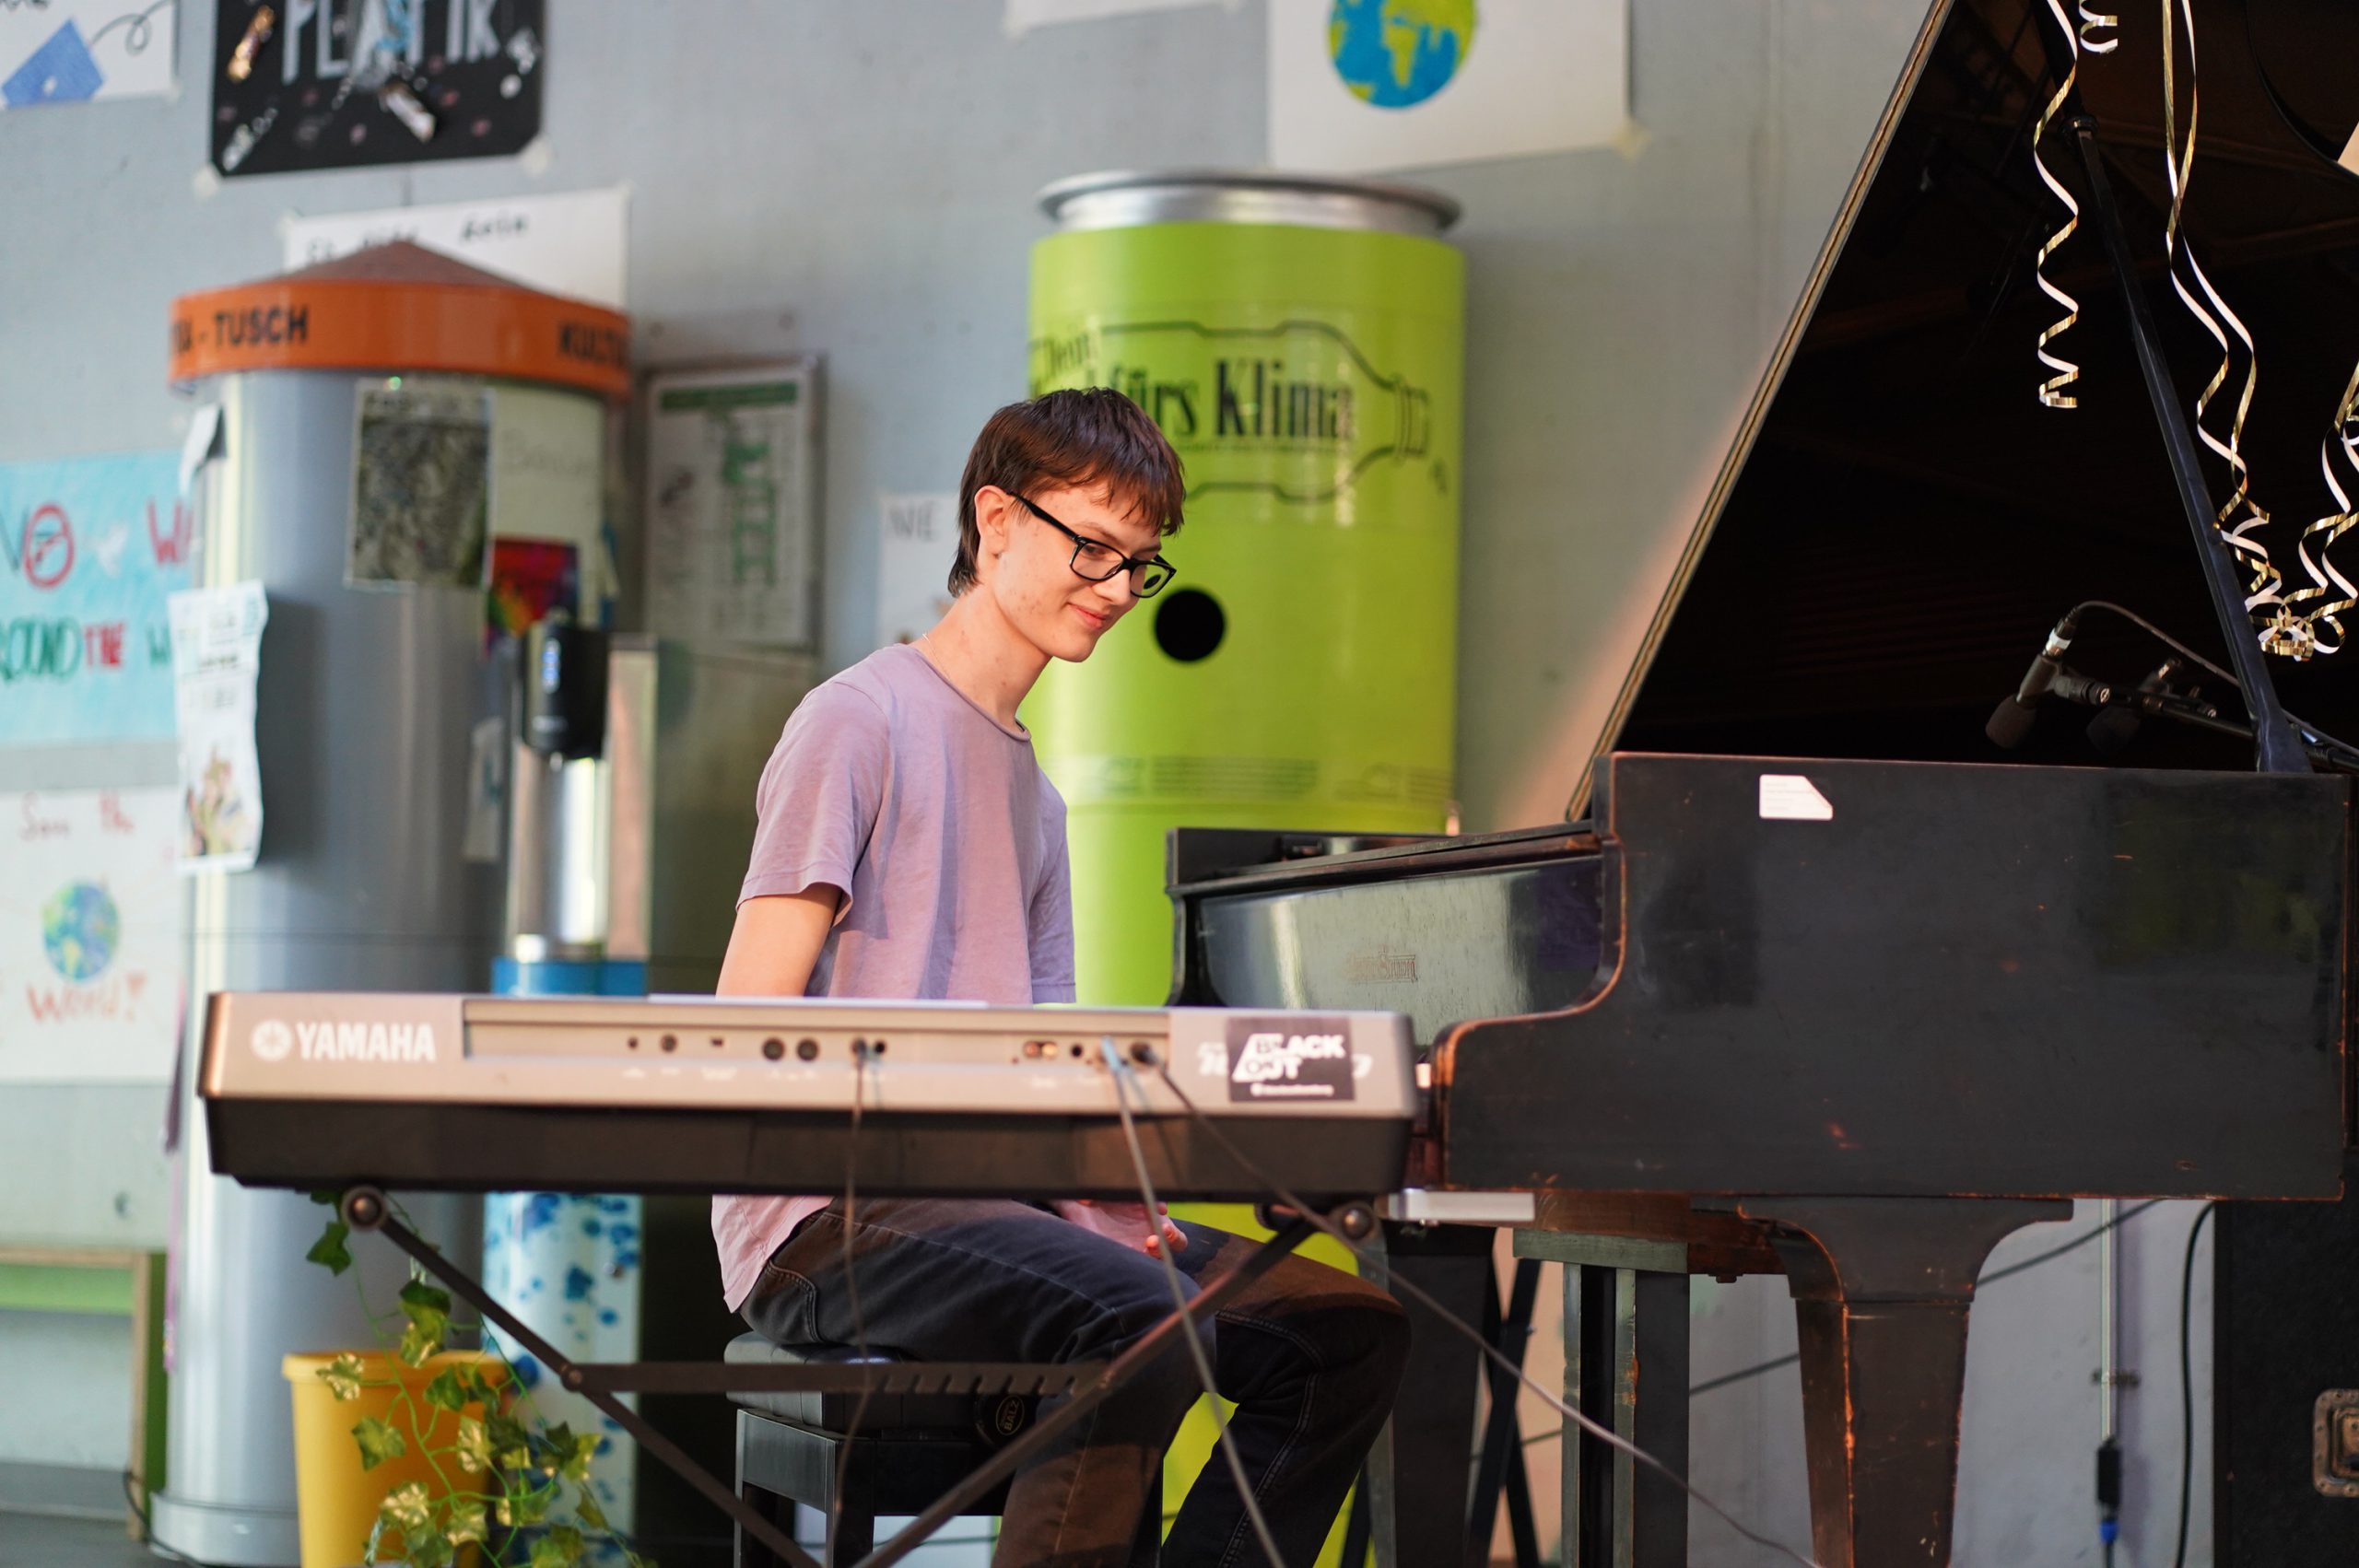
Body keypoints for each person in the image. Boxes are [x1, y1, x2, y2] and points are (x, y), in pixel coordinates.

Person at [711, 388, 1409, 1567]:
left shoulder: (1037, 799)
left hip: (1000, 1201)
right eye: (1095, 547)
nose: (1119, 586)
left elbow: (1050, 1064)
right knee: (1139, 1316)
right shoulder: (856, 720)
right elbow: (747, 1022)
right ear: (995, 521)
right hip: (825, 1213)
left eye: (1139, 564)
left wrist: (1102, 1196)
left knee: (1346, 1329)